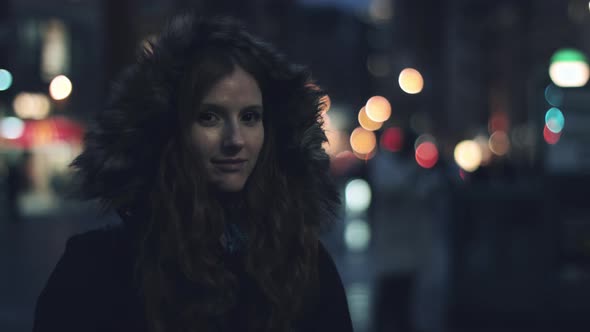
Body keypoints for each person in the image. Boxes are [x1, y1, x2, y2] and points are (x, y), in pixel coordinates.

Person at [32, 14, 353, 332]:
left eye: (250, 117)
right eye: (209, 117)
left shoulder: (305, 266)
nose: (235, 140)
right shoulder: (97, 269)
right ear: (169, 129)